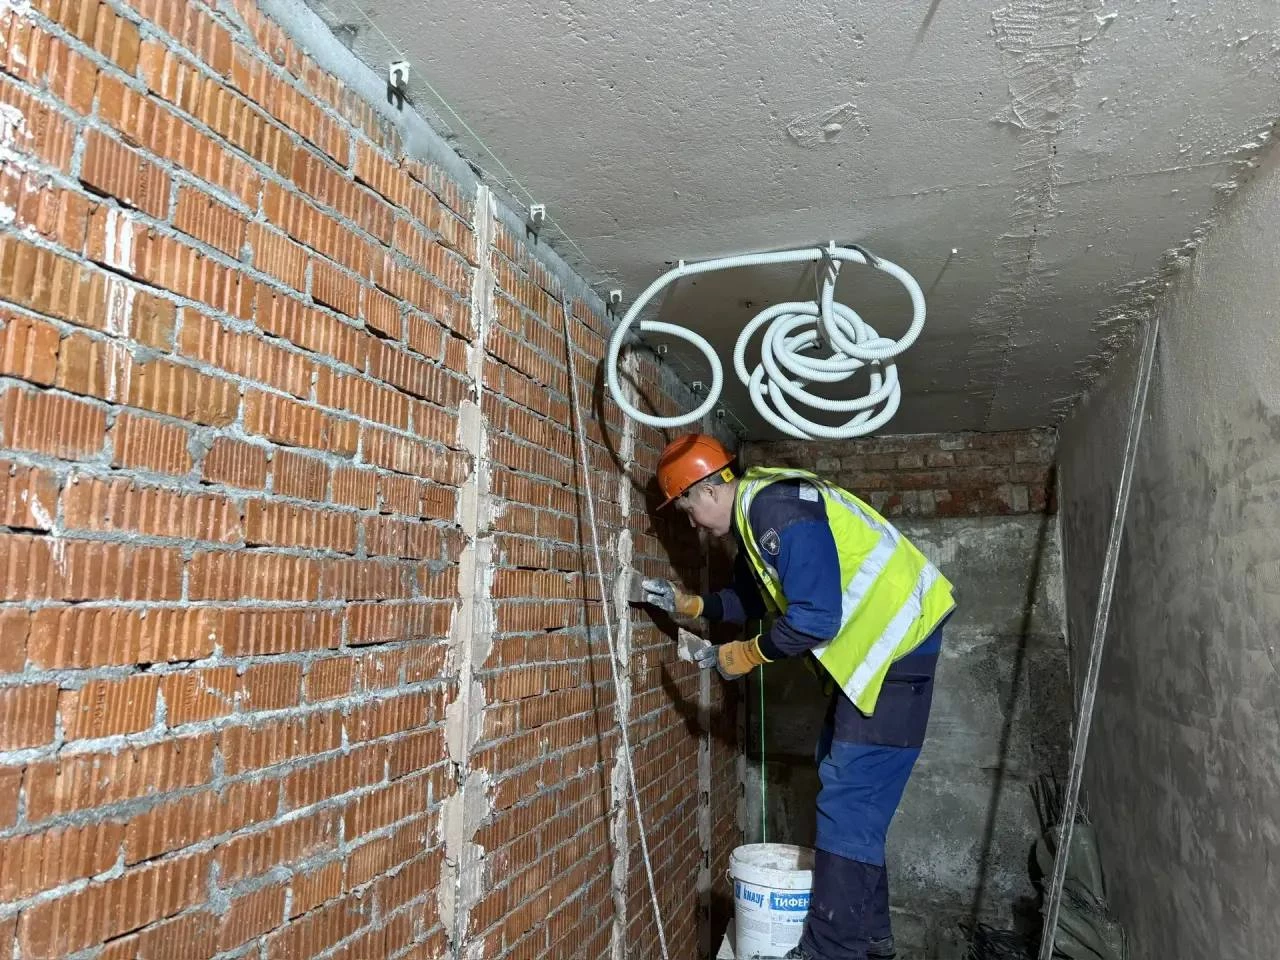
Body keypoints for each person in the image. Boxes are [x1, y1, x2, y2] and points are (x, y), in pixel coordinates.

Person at [641, 434, 955, 960]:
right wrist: (690, 604)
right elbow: (746, 599)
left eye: (688, 506)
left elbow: (814, 618)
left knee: (849, 800)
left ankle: (832, 951)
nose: (692, 521)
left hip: (897, 652)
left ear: (707, 488)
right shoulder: (757, 517)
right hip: (882, 658)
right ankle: (868, 940)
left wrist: (744, 656)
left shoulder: (777, 508)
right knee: (842, 782)